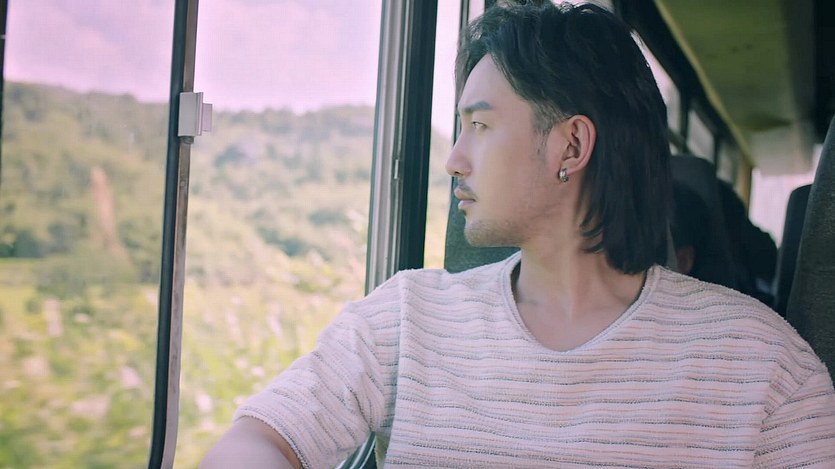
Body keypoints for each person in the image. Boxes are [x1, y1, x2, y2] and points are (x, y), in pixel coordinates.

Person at [201, 2, 835, 468]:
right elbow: (262, 438)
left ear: (571, 145)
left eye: (479, 126)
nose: (454, 160)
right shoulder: (406, 319)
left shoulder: (764, 368)